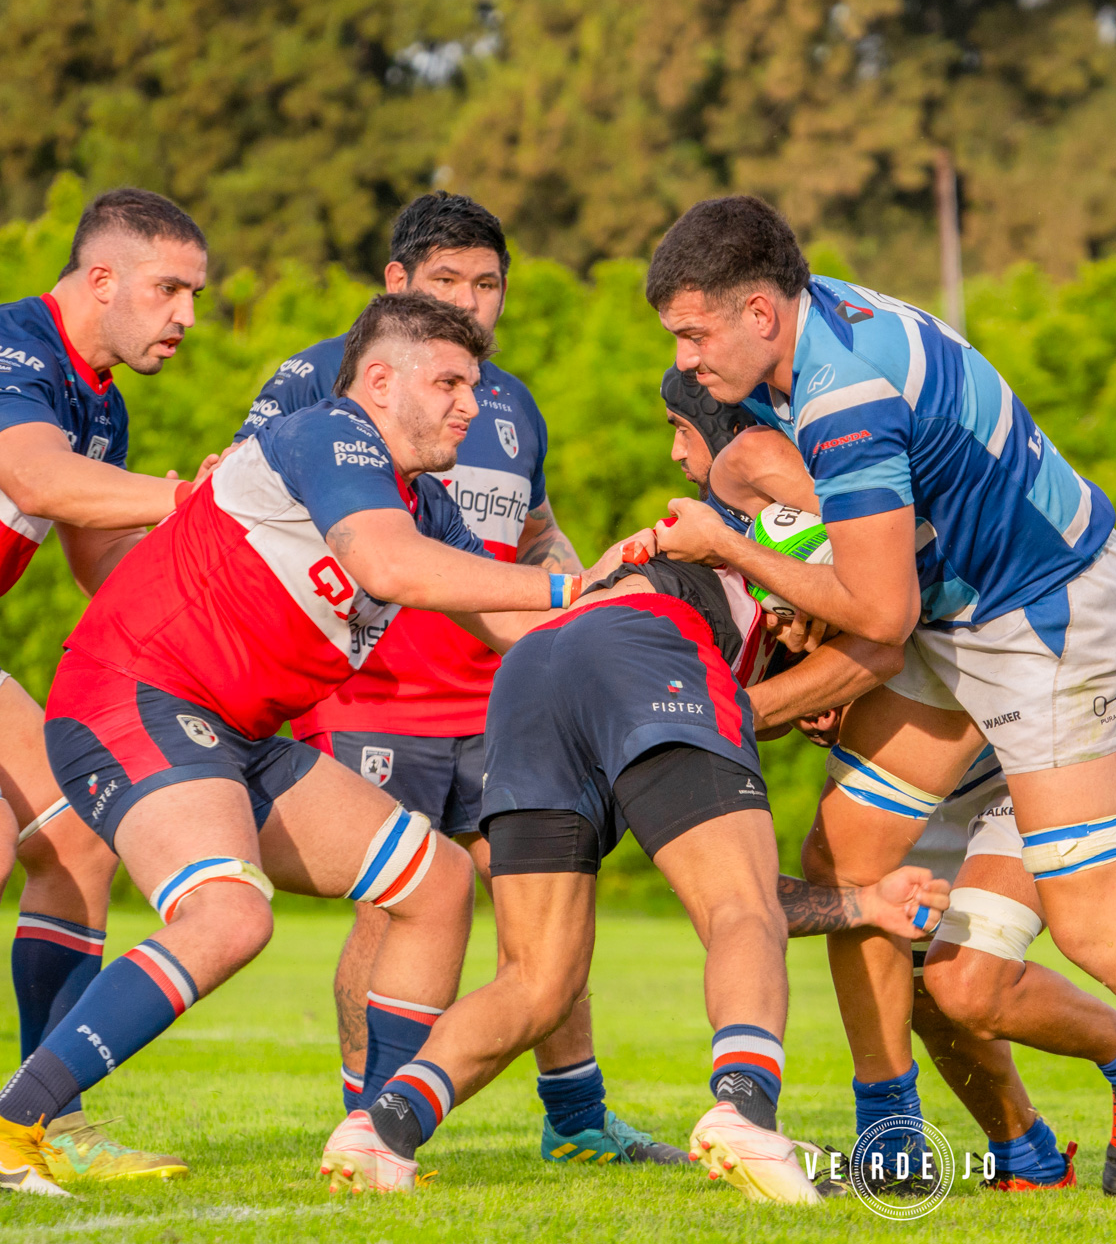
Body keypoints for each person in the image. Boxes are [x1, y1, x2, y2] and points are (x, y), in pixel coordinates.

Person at [644, 194, 1116, 1207]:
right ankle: (889, 1136)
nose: (685, 362)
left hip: (1046, 617)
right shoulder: (822, 335)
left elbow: (880, 606)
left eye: (693, 333)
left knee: (1098, 925)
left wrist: (730, 542)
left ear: (762, 311)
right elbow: (883, 589)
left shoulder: (841, 395)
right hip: (961, 621)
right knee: (845, 862)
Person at [0, 292, 581, 1197]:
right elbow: (389, 568)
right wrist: (561, 595)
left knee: (435, 882)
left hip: (228, 732)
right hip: (133, 696)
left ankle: (371, 1134)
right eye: (452, 382)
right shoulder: (331, 434)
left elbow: (509, 612)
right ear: (380, 381)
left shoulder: (420, 497)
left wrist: (637, 604)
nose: (473, 403)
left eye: (475, 384)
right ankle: (11, 1122)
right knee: (232, 915)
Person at [236, 195, 672, 1167]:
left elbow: (533, 534)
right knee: (392, 900)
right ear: (396, 286)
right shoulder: (326, 376)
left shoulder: (508, 404)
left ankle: (577, 1119)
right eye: (446, 283)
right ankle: (369, 1114)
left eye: (487, 285)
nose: (471, 303)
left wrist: (585, 592)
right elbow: (244, 494)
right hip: (377, 696)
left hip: (507, 698)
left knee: (550, 894)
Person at [315, 542, 947, 1203]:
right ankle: (746, 1112)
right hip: (643, 640)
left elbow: (733, 889)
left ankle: (383, 1130)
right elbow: (881, 635)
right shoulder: (782, 563)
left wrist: (863, 903)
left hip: (530, 667)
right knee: (740, 911)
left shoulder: (728, 618)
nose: (825, 714)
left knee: (537, 979)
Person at [676, 376, 1080, 1192]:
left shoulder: (754, 467)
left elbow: (882, 623)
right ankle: (966, 1148)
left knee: (965, 981)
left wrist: (717, 714)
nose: (677, 455)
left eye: (681, 429)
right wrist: (810, 678)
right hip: (942, 736)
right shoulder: (783, 497)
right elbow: (862, 621)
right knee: (901, 948)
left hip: (1011, 731)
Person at [0, 187, 223, 1183]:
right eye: (170, 289)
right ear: (102, 281)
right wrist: (192, 496)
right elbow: (37, 482)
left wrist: (232, 550)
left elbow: (103, 567)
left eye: (194, 294)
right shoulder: (15, 350)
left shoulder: (103, 402)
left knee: (75, 837)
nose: (185, 315)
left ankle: (45, 1120)